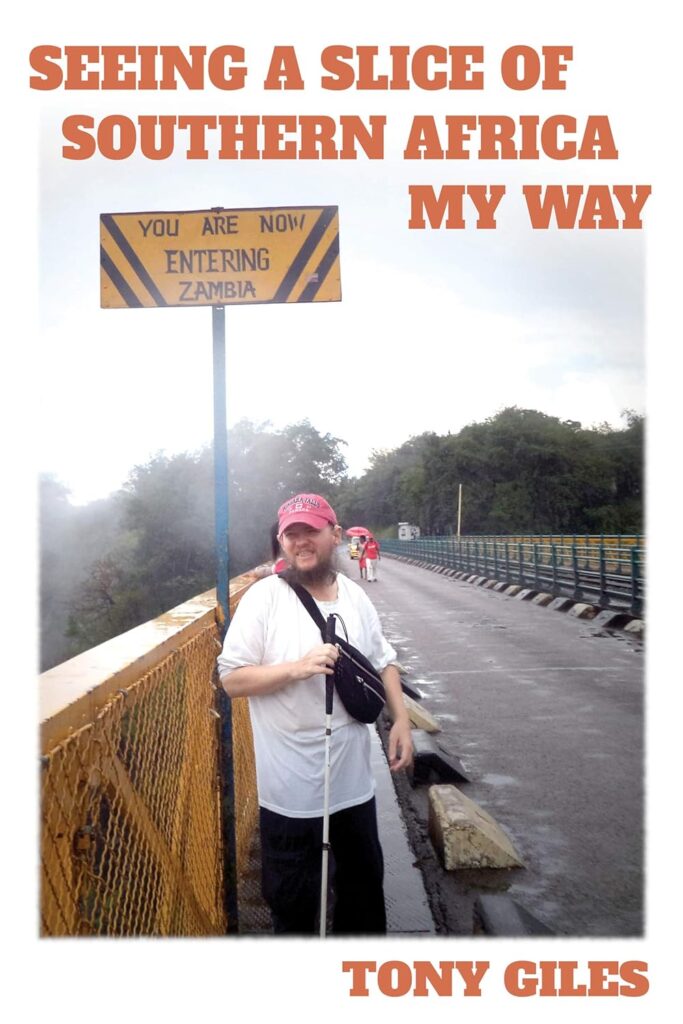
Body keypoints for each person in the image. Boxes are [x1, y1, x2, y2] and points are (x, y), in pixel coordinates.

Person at [217, 492, 413, 936]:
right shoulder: (265, 598)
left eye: (311, 531)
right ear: (281, 542)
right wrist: (297, 668)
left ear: (335, 535)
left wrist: (401, 720)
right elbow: (232, 679)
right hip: (288, 793)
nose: (300, 542)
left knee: (364, 899)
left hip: (353, 786)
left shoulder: (355, 596)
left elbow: (384, 660)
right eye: (291, 534)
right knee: (292, 906)